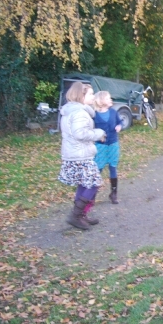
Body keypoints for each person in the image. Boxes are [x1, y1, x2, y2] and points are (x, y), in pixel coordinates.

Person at [58, 81, 106, 230]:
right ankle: (76, 215)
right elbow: (80, 134)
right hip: (80, 155)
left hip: (74, 154)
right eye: (90, 94)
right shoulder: (79, 112)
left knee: (84, 184)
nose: (93, 96)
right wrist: (99, 133)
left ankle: (80, 215)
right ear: (81, 95)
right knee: (93, 183)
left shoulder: (71, 111)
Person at [93, 91, 123, 204]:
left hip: (113, 144)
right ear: (100, 101)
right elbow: (91, 130)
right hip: (100, 146)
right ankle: (92, 194)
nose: (111, 100)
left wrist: (119, 126)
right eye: (108, 98)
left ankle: (113, 194)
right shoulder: (94, 115)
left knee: (113, 167)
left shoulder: (113, 112)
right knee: (98, 169)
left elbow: (120, 122)